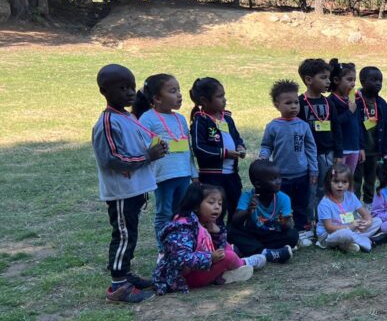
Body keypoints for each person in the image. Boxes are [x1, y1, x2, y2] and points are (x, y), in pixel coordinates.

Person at [93, 64, 167, 304]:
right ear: (104, 91)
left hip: (135, 188)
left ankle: (125, 274)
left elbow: (139, 143)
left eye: (132, 87)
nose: (129, 92)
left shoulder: (128, 117)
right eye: (122, 88)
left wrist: (156, 147)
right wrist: (148, 156)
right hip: (121, 191)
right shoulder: (107, 122)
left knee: (130, 234)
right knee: (123, 236)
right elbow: (112, 159)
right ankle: (118, 285)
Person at [151, 183, 261, 293]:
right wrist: (209, 258)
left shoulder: (204, 222)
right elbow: (181, 257)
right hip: (183, 279)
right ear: (196, 206)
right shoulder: (183, 227)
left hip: (201, 267)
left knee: (226, 247)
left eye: (220, 203)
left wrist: (217, 233)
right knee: (228, 256)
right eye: (211, 202)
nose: (217, 207)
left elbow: (219, 246)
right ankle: (244, 264)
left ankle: (226, 273)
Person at [134, 73, 198, 245]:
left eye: (179, 90)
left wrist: (194, 173)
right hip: (163, 176)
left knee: (181, 212)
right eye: (172, 91)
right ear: (157, 98)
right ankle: (163, 248)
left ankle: (180, 245)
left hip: (183, 174)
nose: (179, 95)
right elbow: (143, 147)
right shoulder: (147, 118)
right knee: (164, 213)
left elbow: (188, 149)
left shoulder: (181, 119)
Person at [259, 79, 317, 246]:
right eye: (288, 103)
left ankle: (302, 231)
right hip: (280, 177)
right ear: (277, 105)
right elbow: (266, 145)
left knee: (300, 205)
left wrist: (313, 170)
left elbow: (311, 149)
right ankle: (281, 231)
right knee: (280, 204)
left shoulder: (303, 126)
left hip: (301, 174)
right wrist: (263, 156)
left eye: (296, 102)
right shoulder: (273, 126)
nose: (293, 106)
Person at [189, 76, 246, 219]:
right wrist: (224, 153)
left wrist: (240, 146)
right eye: (219, 96)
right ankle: (213, 233)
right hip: (212, 177)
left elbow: (236, 137)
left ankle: (234, 232)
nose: (224, 99)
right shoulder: (201, 120)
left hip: (232, 175)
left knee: (236, 207)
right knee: (215, 211)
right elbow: (199, 148)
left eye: (224, 95)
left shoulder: (227, 118)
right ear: (204, 100)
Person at [227, 159, 298, 263]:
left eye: (279, 177)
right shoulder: (247, 196)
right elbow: (235, 221)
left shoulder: (284, 198)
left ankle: (251, 251)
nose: (279, 181)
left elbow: (287, 226)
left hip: (272, 235)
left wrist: (284, 223)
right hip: (253, 234)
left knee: (292, 235)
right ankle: (268, 253)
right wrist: (248, 211)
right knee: (230, 231)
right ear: (258, 184)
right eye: (273, 179)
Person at [298, 57, 336, 224]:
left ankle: (323, 220)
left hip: (327, 154)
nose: (328, 81)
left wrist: (338, 153)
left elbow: (336, 129)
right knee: (310, 189)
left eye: (329, 77)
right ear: (308, 80)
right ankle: (308, 221)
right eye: (323, 77)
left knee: (324, 188)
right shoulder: (299, 103)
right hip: (307, 156)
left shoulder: (329, 102)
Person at [316, 165, 382, 253]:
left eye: (344, 182)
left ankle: (346, 244)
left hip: (351, 228)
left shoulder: (350, 196)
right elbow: (329, 228)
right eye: (336, 181)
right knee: (345, 234)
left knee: (378, 221)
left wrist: (368, 223)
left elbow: (366, 215)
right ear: (329, 183)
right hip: (330, 235)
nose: (340, 185)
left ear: (349, 183)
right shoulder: (325, 203)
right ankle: (366, 242)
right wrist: (350, 227)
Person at [354, 66, 387, 203]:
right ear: (363, 81)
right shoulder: (355, 102)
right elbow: (354, 127)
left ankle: (369, 203)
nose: (378, 83)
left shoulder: (381, 103)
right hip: (359, 150)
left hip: (375, 151)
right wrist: (359, 147)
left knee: (371, 180)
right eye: (374, 80)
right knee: (356, 180)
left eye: (380, 81)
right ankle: (355, 206)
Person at [327, 60, 363, 173]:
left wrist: (361, 147)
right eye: (349, 80)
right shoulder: (330, 101)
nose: (353, 84)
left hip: (354, 148)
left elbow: (358, 125)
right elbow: (334, 124)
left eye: (354, 80)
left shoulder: (354, 100)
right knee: (337, 178)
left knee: (349, 178)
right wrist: (349, 112)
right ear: (336, 80)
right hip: (340, 150)